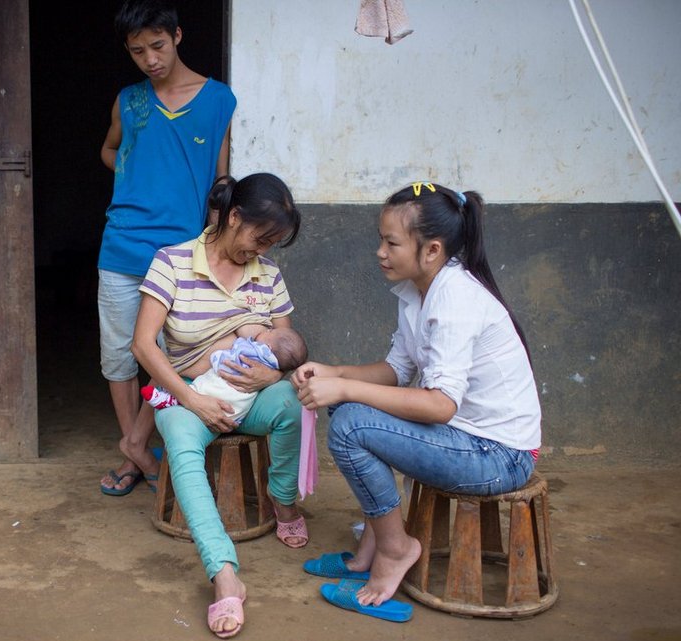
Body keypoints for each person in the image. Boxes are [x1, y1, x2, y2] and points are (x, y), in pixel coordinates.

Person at [294, 181, 541, 618]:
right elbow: (395, 371)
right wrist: (334, 373)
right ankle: (369, 550)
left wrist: (346, 389)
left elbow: (441, 404)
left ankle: (394, 548)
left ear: (431, 250)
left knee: (352, 423)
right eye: (381, 240)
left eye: (391, 242)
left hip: (497, 456)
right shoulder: (418, 292)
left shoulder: (455, 298)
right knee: (348, 409)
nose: (380, 252)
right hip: (464, 439)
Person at [133, 173, 305, 638]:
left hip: (251, 395)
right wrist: (192, 398)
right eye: (259, 237)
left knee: (291, 403)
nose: (262, 250)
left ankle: (283, 500)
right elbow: (143, 345)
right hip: (189, 390)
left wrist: (271, 375)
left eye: (273, 243)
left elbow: (283, 343)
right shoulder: (172, 262)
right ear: (233, 217)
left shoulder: (267, 275)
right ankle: (224, 573)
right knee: (183, 449)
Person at [97, 0, 237, 496]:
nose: (150, 59)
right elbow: (109, 148)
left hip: (180, 252)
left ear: (177, 36)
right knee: (118, 356)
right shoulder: (129, 101)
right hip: (121, 246)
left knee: (171, 353)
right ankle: (135, 454)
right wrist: (133, 176)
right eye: (138, 52)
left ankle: (136, 443)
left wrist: (219, 241)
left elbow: (221, 181)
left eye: (157, 46)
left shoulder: (218, 98)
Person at [141, 325, 308, 423]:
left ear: (268, 348)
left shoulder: (255, 350)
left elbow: (230, 355)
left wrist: (217, 356)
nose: (268, 329)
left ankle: (170, 400)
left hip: (219, 388)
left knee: (201, 389)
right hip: (238, 409)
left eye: (270, 331)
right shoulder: (273, 356)